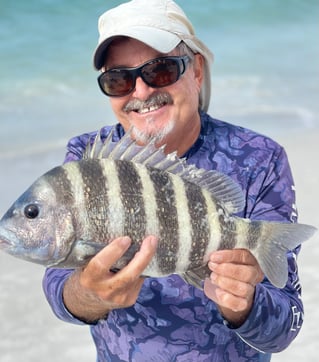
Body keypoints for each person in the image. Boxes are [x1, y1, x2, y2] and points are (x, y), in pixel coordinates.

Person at [43, 1, 304, 361]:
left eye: (161, 70)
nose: (142, 92)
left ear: (197, 71)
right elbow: (58, 283)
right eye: (118, 79)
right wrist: (88, 293)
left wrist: (244, 304)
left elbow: (287, 323)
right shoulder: (90, 157)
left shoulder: (260, 158)